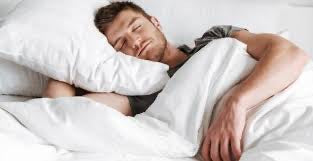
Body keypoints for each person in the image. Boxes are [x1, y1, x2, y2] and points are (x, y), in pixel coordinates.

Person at [42, 2, 310, 161]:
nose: (135, 42)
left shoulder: (214, 39)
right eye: (121, 43)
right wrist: (66, 59)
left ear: (155, 22)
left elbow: (290, 54)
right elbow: (61, 110)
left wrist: (236, 103)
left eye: (136, 27)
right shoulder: (142, 94)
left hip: (288, 111)